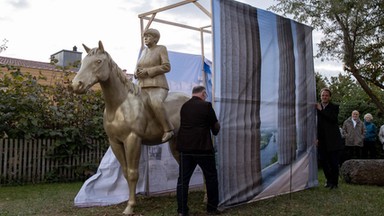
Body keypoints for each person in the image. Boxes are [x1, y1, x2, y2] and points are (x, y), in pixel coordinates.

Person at [176, 85, 221, 216]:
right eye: (205, 95)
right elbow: (215, 127)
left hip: (185, 149)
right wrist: (216, 128)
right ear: (203, 93)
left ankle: (182, 211)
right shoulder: (206, 106)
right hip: (203, 148)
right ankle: (212, 209)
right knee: (211, 178)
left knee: (183, 181)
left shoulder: (184, 107)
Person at [134, 28, 174, 142]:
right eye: (144, 36)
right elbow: (138, 67)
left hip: (158, 86)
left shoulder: (161, 49)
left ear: (155, 38)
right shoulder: (143, 52)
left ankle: (168, 129)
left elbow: (166, 66)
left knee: (155, 102)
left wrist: (148, 71)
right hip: (142, 86)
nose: (145, 38)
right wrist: (137, 73)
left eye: (149, 36)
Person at [316, 88, 343, 189]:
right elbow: (317, 124)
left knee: (334, 162)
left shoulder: (334, 107)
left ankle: (334, 183)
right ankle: (329, 180)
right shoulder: (317, 108)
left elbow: (333, 119)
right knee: (323, 161)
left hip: (333, 140)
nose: (324, 97)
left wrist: (321, 110)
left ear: (330, 97)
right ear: (320, 96)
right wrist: (316, 137)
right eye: (323, 95)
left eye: (326, 95)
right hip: (322, 140)